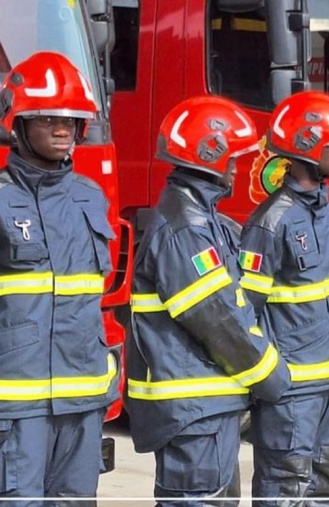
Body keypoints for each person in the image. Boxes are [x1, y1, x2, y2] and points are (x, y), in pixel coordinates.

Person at [126, 96, 290, 505]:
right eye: (232, 158)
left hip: (201, 405)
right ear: (209, 155)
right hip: (193, 407)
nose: (236, 168)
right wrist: (271, 375)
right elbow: (218, 319)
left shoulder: (199, 217)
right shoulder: (186, 229)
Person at [0, 51, 119, 503]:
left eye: (71, 119)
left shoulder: (90, 197)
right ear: (19, 123)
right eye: (48, 118)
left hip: (83, 399)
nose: (63, 129)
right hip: (16, 406)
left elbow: (98, 298)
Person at [239, 91, 329, 506]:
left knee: (322, 485)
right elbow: (244, 314)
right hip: (293, 391)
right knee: (284, 488)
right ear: (307, 146)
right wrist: (269, 377)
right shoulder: (271, 222)